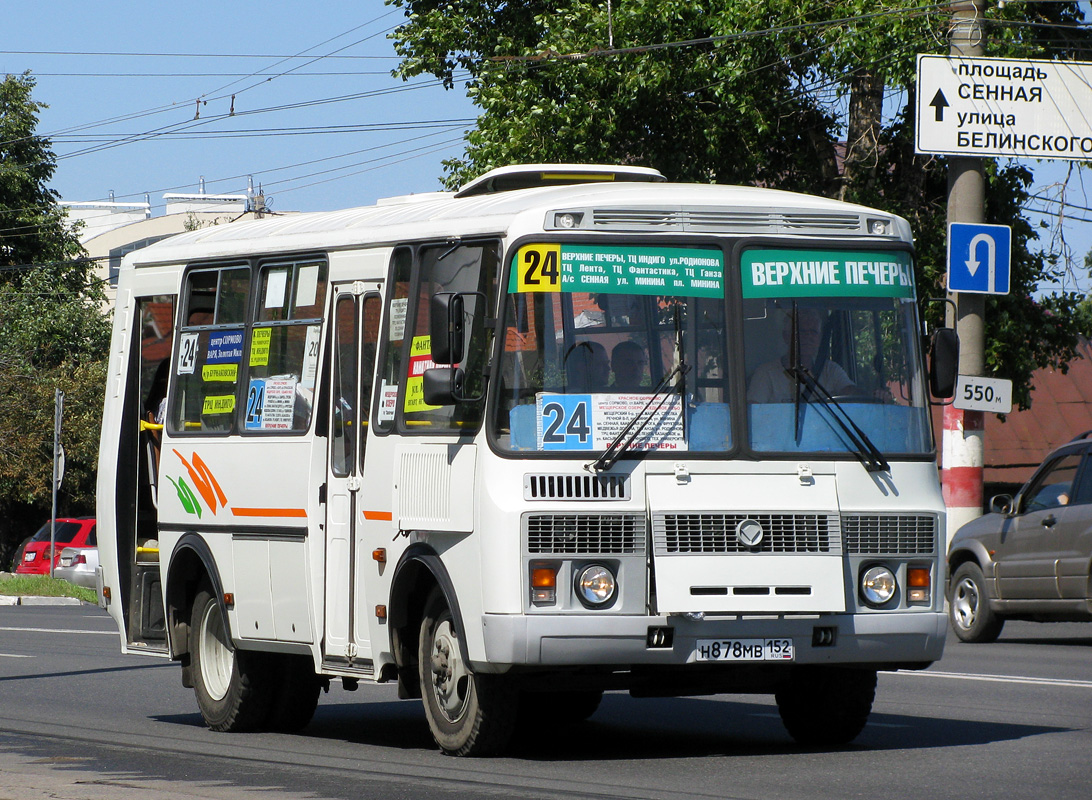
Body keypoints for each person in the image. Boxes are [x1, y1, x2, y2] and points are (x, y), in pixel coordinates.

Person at [748, 308, 855, 402]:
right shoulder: (766, 374)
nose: (808, 337)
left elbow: (852, 394)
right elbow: (753, 415)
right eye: (801, 332)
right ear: (786, 336)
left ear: (820, 338)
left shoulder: (831, 370)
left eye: (813, 332)